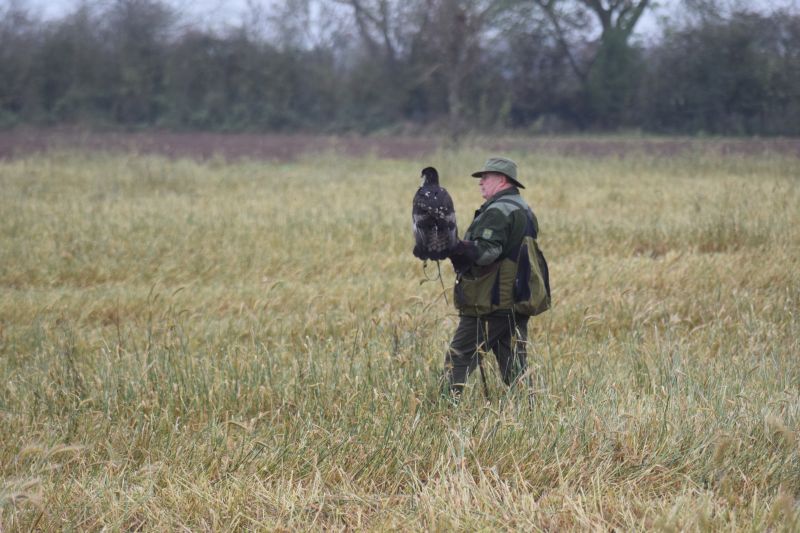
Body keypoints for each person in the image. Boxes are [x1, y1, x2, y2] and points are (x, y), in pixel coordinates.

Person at [444, 156, 541, 399]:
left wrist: (456, 247)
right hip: (516, 299)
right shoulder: (523, 208)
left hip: (490, 302)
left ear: (502, 180)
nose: (481, 182)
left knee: (458, 358)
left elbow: (488, 253)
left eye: (486, 177)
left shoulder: (498, 211)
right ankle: (530, 411)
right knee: (513, 365)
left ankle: (444, 408)